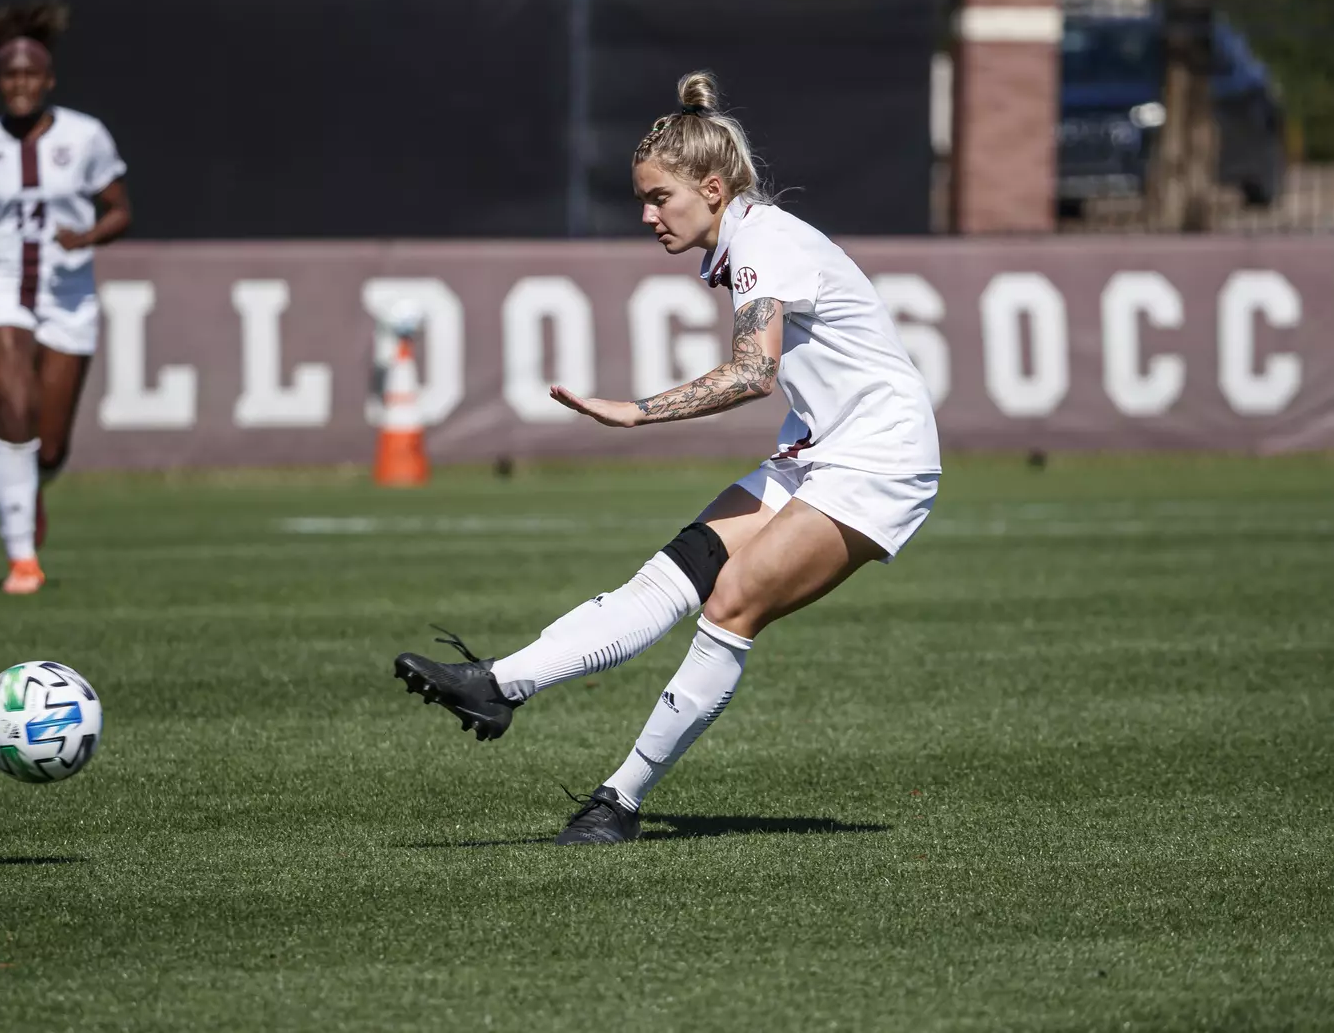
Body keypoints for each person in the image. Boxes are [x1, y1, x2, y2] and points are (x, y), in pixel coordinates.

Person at [393, 71, 941, 844]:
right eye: (644, 199)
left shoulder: (765, 243)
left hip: (880, 461)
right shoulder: (745, 238)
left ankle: (616, 803)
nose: (647, 215)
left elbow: (754, 372)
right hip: (820, 452)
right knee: (674, 570)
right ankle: (498, 684)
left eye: (660, 198)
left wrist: (636, 411)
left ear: (712, 189)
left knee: (732, 603)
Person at [0, 0, 131, 594]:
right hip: (1, 286)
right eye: (9, 75)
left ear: (49, 79)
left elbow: (121, 210)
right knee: (12, 416)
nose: (19, 84)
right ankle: (21, 559)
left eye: (30, 74)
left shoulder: (85, 135)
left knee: (50, 446)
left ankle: (32, 491)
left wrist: (86, 235)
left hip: (68, 295)